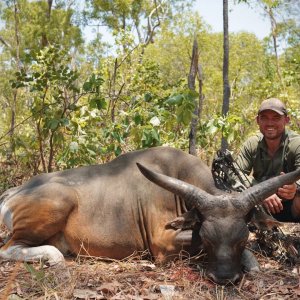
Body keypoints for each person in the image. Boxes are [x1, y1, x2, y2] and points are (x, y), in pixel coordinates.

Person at [235, 98, 300, 222]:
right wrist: (260, 192)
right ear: (258, 120)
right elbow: (235, 174)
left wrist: (295, 187)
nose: (270, 123)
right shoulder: (252, 143)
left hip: (291, 205)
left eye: (276, 118)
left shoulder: (296, 143)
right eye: (264, 117)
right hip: (260, 205)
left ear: (286, 120)